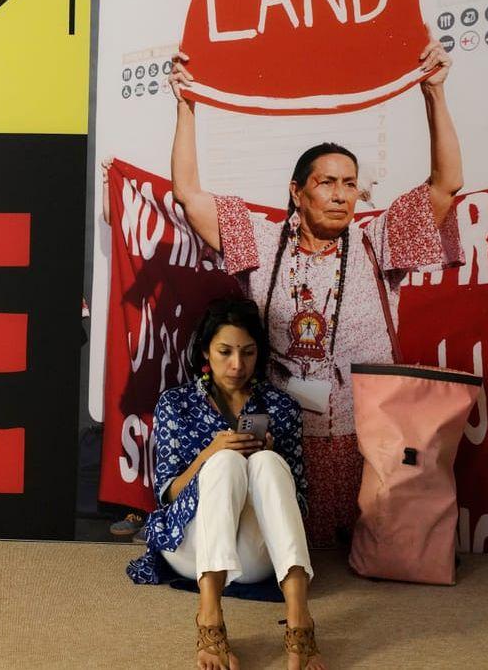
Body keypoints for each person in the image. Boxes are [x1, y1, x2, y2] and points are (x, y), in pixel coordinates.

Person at [168, 45, 463, 547]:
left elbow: (446, 185)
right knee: (278, 550)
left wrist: (434, 93)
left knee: (370, 554)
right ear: (297, 192)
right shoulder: (261, 243)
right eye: (326, 183)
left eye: (350, 184)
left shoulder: (377, 242)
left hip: (366, 434)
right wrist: (186, 106)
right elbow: (189, 195)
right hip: (280, 433)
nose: (341, 194)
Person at [128, 297, 322, 670]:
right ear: (205, 351)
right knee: (225, 462)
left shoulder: (280, 408)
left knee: (265, 461)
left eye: (248, 353)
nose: (237, 365)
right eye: (225, 351)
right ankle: (209, 618)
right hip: (193, 549)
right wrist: (209, 454)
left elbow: (300, 502)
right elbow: (166, 495)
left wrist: (270, 456)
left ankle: (300, 620)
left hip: (255, 556)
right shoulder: (176, 404)